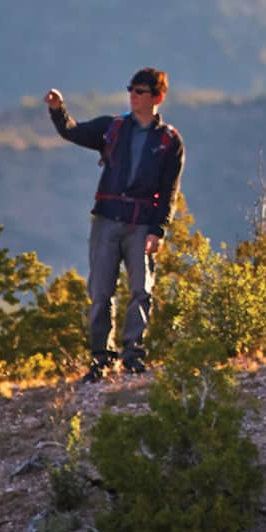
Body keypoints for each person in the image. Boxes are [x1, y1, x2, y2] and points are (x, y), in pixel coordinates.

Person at [44, 68, 184, 382]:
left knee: (141, 291)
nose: (133, 95)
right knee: (100, 291)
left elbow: (170, 191)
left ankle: (133, 356)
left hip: (141, 224)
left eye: (140, 91)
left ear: (157, 97)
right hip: (107, 220)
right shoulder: (113, 128)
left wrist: (158, 230)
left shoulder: (169, 141)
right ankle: (101, 359)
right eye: (131, 89)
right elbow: (73, 131)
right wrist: (58, 111)